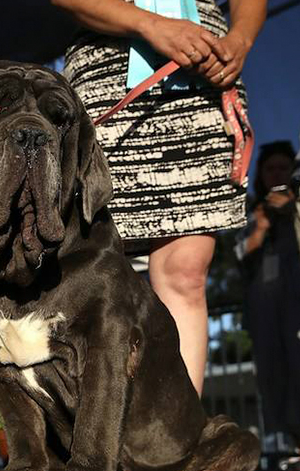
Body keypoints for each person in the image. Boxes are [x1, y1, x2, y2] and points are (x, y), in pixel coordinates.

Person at [53, 0, 267, 396]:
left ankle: (177, 441)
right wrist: (150, 24)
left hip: (203, 79)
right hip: (110, 76)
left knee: (186, 274)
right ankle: (98, 438)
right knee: (98, 276)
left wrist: (240, 40)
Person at [235, 141, 300, 464]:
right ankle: (278, 446)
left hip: (295, 301)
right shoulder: (250, 211)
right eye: (270, 168)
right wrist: (261, 223)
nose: (277, 174)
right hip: (263, 305)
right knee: (270, 375)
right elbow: (239, 254)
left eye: (283, 168)